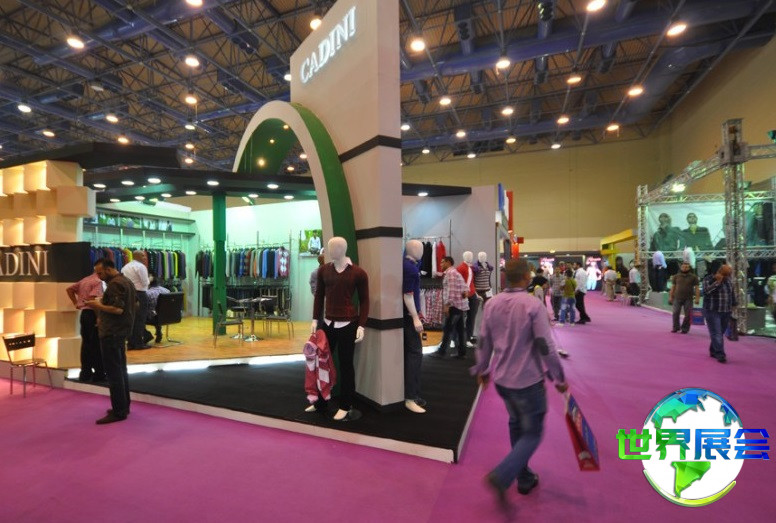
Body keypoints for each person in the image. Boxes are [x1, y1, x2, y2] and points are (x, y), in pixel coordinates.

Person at [471, 259, 568, 503]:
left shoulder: (492, 304)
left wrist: (482, 368)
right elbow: (545, 346)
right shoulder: (533, 305)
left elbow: (483, 340)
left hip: (503, 381)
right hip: (528, 382)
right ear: (526, 277)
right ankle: (503, 474)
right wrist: (559, 377)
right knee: (532, 433)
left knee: (516, 423)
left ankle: (523, 477)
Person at [310, 237, 369, 421]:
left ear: (344, 249)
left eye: (335, 247)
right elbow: (319, 296)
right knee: (322, 363)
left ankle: (346, 404)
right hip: (328, 323)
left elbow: (364, 300)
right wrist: (315, 319)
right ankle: (321, 402)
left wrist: (361, 325)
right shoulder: (323, 270)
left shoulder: (358, 273)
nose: (331, 250)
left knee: (346, 364)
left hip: (348, 324)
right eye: (329, 247)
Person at [85, 258, 136, 424]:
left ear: (108, 269)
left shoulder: (115, 284)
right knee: (120, 370)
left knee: (114, 373)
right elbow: (133, 305)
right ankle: (123, 406)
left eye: (100, 273)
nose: (99, 276)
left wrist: (96, 305)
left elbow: (117, 309)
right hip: (120, 331)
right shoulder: (126, 281)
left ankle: (119, 411)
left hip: (112, 332)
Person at [66, 268, 106, 383]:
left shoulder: (85, 280)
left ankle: (85, 372)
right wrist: (99, 317)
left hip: (84, 314)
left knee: (86, 345)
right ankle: (99, 373)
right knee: (96, 345)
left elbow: (69, 289)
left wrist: (76, 303)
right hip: (93, 313)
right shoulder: (98, 282)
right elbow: (94, 300)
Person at [402, 240, 427, 414]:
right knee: (415, 354)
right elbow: (408, 295)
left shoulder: (408, 266)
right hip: (408, 318)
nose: (422, 251)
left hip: (407, 316)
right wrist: (415, 318)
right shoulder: (410, 268)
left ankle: (411, 394)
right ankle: (410, 397)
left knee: (410, 354)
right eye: (421, 248)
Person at [431, 256, 469, 359]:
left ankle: (441, 352)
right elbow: (465, 288)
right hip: (459, 306)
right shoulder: (456, 273)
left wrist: (447, 305)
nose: (440, 264)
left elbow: (451, 291)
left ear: (448, 262)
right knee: (460, 330)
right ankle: (462, 353)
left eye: (442, 262)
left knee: (447, 329)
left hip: (454, 306)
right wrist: (464, 293)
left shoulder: (450, 273)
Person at [702, 263, 737, 363]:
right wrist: (718, 282)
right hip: (712, 311)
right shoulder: (708, 279)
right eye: (728, 271)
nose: (730, 273)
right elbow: (706, 292)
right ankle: (720, 354)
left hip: (726, 311)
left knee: (719, 333)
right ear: (720, 270)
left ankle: (713, 350)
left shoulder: (729, 280)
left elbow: (732, 294)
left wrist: (734, 305)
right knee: (717, 333)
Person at [121, 250, 151, 349]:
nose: (145, 257)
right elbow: (145, 283)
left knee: (131, 319)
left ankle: (131, 343)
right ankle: (138, 343)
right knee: (140, 319)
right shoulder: (141, 267)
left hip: (129, 294)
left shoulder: (125, 267)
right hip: (140, 294)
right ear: (136, 256)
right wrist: (150, 279)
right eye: (142, 255)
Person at [669, 262, 700, 334]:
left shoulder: (694, 277)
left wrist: (697, 298)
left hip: (688, 298)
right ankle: (675, 327)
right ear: (681, 267)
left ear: (689, 268)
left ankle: (685, 328)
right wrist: (671, 297)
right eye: (683, 267)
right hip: (677, 298)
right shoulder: (676, 276)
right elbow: (672, 288)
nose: (684, 268)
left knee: (688, 314)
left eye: (686, 267)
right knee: (675, 313)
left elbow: (697, 288)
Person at [457, 251, 480, 345]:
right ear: (464, 257)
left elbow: (471, 281)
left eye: (471, 256)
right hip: (463, 294)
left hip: (472, 294)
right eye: (468, 256)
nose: (470, 257)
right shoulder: (460, 268)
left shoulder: (470, 267)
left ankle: (468, 337)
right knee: (460, 317)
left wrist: (475, 293)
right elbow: (458, 282)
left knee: (471, 316)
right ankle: (460, 339)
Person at [146, 275, 171, 343]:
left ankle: (146, 335)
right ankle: (158, 331)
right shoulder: (167, 291)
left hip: (154, 318)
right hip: (167, 317)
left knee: (138, 317)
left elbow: (145, 307)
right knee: (157, 312)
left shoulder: (148, 293)